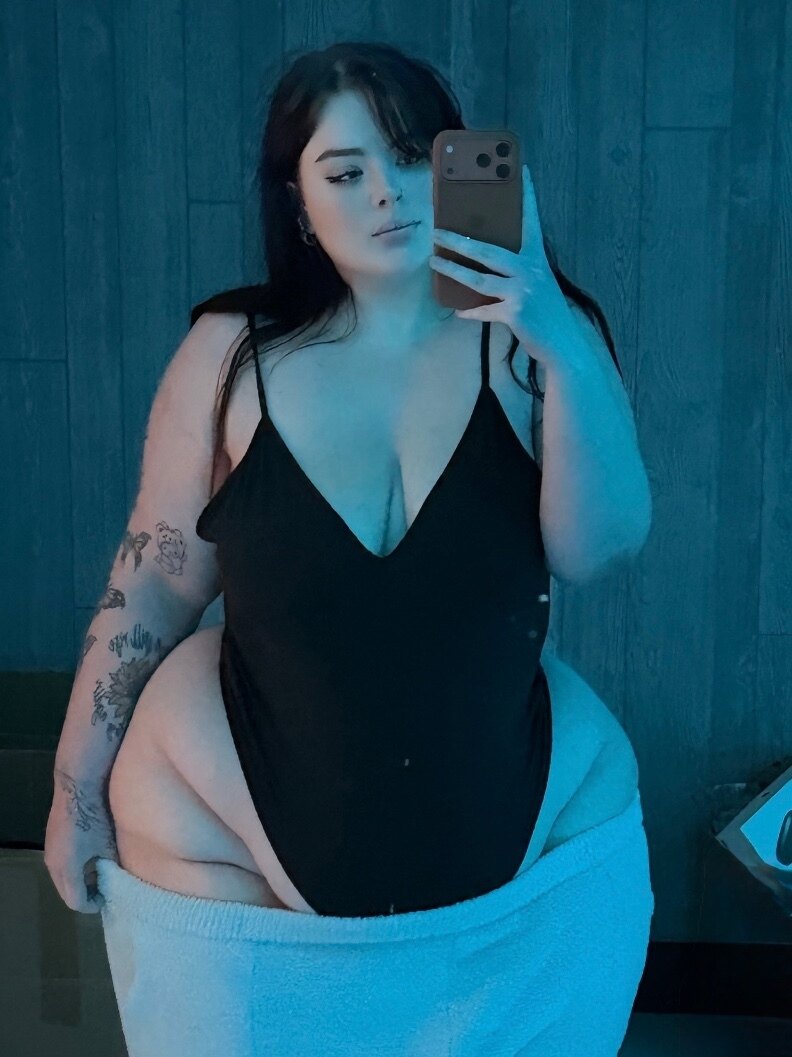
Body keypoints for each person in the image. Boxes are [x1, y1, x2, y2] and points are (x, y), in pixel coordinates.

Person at [47, 40, 654, 1057]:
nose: (387, 194)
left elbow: (599, 546)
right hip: (233, 869)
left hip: (519, 886)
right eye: (345, 171)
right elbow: (152, 580)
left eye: (414, 158)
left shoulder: (536, 346)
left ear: (457, 167)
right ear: (298, 203)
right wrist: (75, 788)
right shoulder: (229, 354)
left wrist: (552, 323)